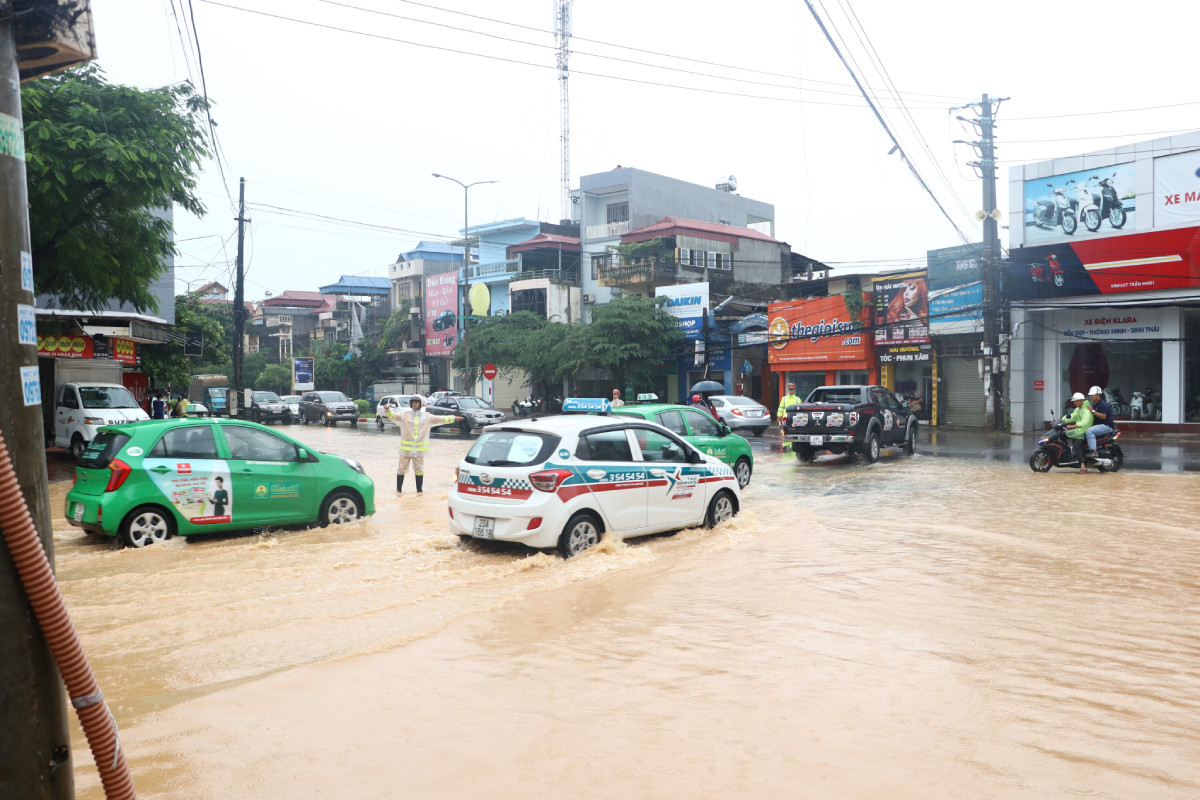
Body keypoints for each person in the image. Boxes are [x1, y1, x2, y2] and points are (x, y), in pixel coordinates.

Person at [385, 395, 462, 494]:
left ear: (421, 404)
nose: (414, 404)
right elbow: (393, 416)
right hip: (405, 449)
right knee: (401, 469)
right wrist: (387, 410)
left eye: (416, 402)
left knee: (419, 470)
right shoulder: (404, 415)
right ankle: (398, 490)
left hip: (419, 450)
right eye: (413, 402)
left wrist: (454, 418)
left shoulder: (427, 416)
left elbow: (441, 419)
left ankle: (419, 491)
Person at [1062, 391, 1094, 469]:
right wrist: (1061, 420)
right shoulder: (1078, 409)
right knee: (1062, 435)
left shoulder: (1086, 410)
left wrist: (1073, 426)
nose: (1075, 402)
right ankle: (1068, 454)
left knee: (1076, 445)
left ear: (1082, 400)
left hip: (1084, 431)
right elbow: (1072, 416)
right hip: (1079, 430)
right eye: (1074, 401)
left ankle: (1082, 464)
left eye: (1077, 401)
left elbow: (1084, 422)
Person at [1084, 385, 1116, 458]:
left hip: (1106, 426)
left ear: (1098, 395)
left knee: (1089, 431)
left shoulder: (1103, 404)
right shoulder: (1094, 404)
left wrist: (1092, 410)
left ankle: (1093, 451)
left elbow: (1103, 416)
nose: (1090, 397)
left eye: (1092, 395)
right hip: (1099, 426)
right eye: (1090, 395)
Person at [777, 382, 802, 451]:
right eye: (790, 389)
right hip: (786, 417)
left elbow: (799, 409)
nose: (791, 391)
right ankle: (785, 444)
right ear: (788, 390)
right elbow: (781, 408)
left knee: (793, 431)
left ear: (794, 390)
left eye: (792, 389)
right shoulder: (784, 399)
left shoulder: (797, 399)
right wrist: (779, 416)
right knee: (784, 431)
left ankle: (792, 445)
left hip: (794, 418)